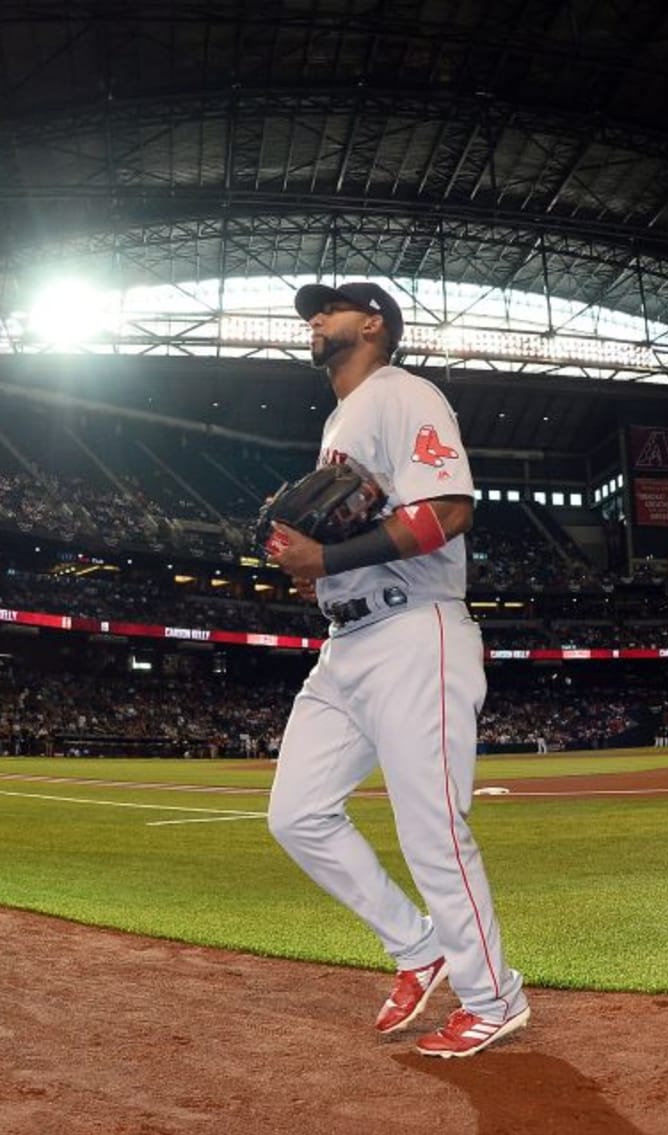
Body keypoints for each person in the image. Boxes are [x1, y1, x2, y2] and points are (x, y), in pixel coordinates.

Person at [265, 281, 529, 1058]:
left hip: (417, 633)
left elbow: (447, 511)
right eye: (312, 311)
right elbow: (364, 519)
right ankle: (419, 946)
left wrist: (330, 555)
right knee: (297, 814)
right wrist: (321, 572)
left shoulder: (403, 392)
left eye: (331, 307)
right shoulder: (338, 421)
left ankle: (493, 999)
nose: (315, 318)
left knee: (432, 829)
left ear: (374, 324)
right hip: (347, 642)